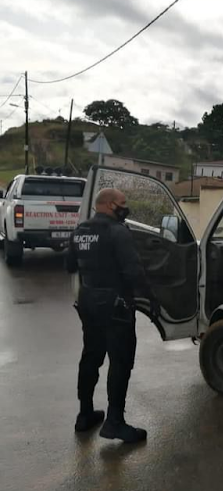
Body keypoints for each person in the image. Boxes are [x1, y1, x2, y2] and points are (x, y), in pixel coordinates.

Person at [66, 188, 159, 443]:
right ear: (108, 205)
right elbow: (133, 271)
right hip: (115, 306)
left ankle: (85, 415)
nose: (125, 208)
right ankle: (115, 422)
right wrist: (152, 299)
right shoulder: (118, 232)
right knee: (120, 362)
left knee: (91, 356)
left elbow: (70, 266)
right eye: (122, 203)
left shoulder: (80, 232)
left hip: (88, 302)